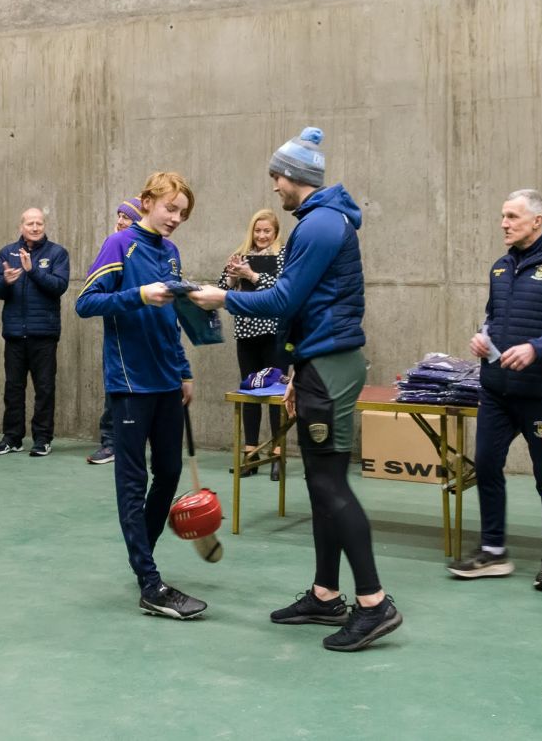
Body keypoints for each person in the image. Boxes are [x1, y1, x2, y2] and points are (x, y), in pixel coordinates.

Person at [191, 127, 401, 652]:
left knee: (332, 485)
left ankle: (373, 603)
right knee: (319, 485)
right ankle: (326, 594)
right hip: (316, 363)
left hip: (329, 365)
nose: (274, 189)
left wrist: (224, 299)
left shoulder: (321, 225)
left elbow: (283, 300)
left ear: (294, 177)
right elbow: (303, 305)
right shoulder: (318, 222)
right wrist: (291, 369)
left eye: (276, 178)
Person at [448, 189, 542, 591]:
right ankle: (493, 551)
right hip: (495, 391)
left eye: (512, 216)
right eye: (502, 216)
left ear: (536, 222)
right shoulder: (499, 269)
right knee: (487, 466)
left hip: (540, 394)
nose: (504, 223)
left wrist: (536, 348)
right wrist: (482, 337)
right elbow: (492, 317)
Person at [75, 172, 205, 620]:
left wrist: (184, 369)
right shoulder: (120, 246)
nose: (176, 219)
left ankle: (141, 557)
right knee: (134, 483)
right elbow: (86, 302)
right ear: (147, 202)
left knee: (168, 473)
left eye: (183, 213)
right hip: (130, 384)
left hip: (168, 380)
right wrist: (137, 295)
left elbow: (171, 317)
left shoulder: (171, 253)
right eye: (171, 208)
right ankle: (149, 582)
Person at [0, 208, 70, 457]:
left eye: (39, 223)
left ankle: (42, 439)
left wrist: (32, 270)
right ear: (21, 226)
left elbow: (59, 286)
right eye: (30, 223)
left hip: (43, 333)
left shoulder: (57, 253)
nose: (35, 228)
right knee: (13, 388)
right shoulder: (6, 252)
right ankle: (12, 437)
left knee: (44, 388)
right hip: (14, 333)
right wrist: (6, 282)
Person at [217, 208, 287, 479]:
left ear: (275, 232)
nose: (261, 236)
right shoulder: (241, 255)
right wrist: (235, 275)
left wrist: (252, 275)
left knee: (276, 393)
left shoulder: (283, 256)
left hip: (274, 332)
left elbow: (282, 290)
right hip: (246, 334)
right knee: (249, 392)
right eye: (257, 231)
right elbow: (222, 288)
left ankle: (277, 454)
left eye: (266, 231)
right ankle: (251, 452)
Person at [88, 197, 143, 466]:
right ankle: (110, 443)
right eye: (119, 216)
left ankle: (132, 444)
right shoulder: (113, 247)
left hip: (145, 335)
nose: (120, 221)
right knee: (115, 391)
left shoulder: (149, 251)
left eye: (127, 217)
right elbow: (90, 299)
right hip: (120, 337)